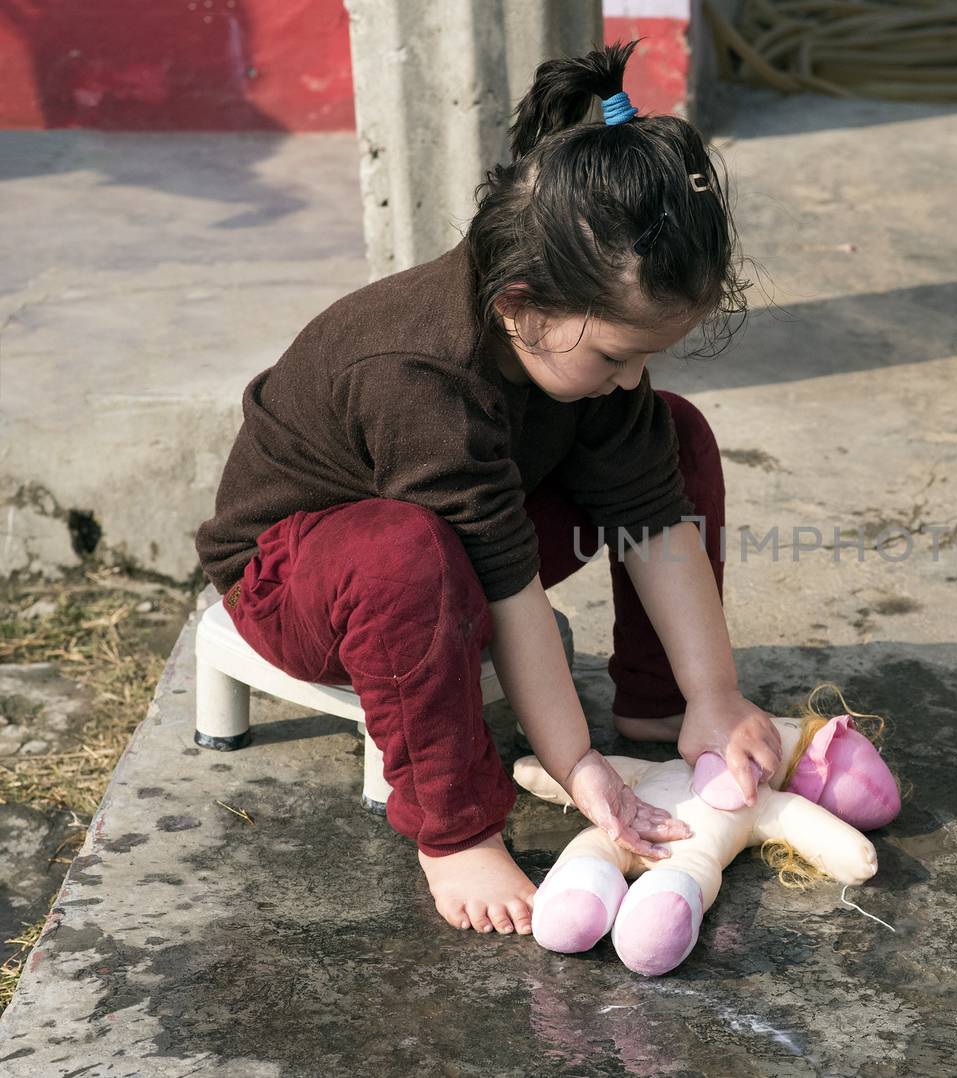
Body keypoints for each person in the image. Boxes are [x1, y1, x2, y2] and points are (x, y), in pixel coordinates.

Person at [194, 41, 783, 936]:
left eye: (645, 355)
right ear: (518, 308)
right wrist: (579, 765)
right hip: (301, 579)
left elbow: (656, 521)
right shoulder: (416, 374)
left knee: (677, 435)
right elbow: (503, 585)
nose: (631, 378)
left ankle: (663, 703)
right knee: (406, 556)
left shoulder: (570, 332)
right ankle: (454, 826)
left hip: (459, 533)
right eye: (618, 356)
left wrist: (717, 692)